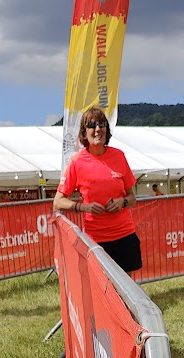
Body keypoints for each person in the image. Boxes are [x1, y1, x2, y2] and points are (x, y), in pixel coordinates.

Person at [53, 107, 142, 275]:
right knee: (103, 288)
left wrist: (122, 202)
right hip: (96, 239)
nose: (97, 129)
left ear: (107, 130)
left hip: (124, 235)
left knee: (127, 286)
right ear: (84, 132)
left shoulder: (119, 156)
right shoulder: (77, 162)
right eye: (92, 125)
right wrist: (84, 207)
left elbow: (132, 197)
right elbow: (58, 202)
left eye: (102, 124)